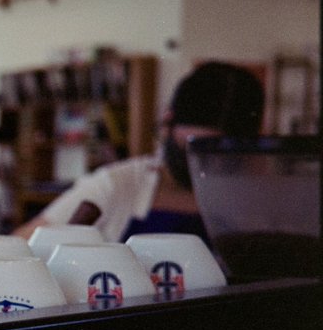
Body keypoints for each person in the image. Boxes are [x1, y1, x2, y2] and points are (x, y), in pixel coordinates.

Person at [14, 61, 264, 243]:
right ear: (167, 123)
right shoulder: (117, 185)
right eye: (194, 149)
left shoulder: (254, 198)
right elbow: (24, 245)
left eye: (223, 155)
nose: (208, 166)